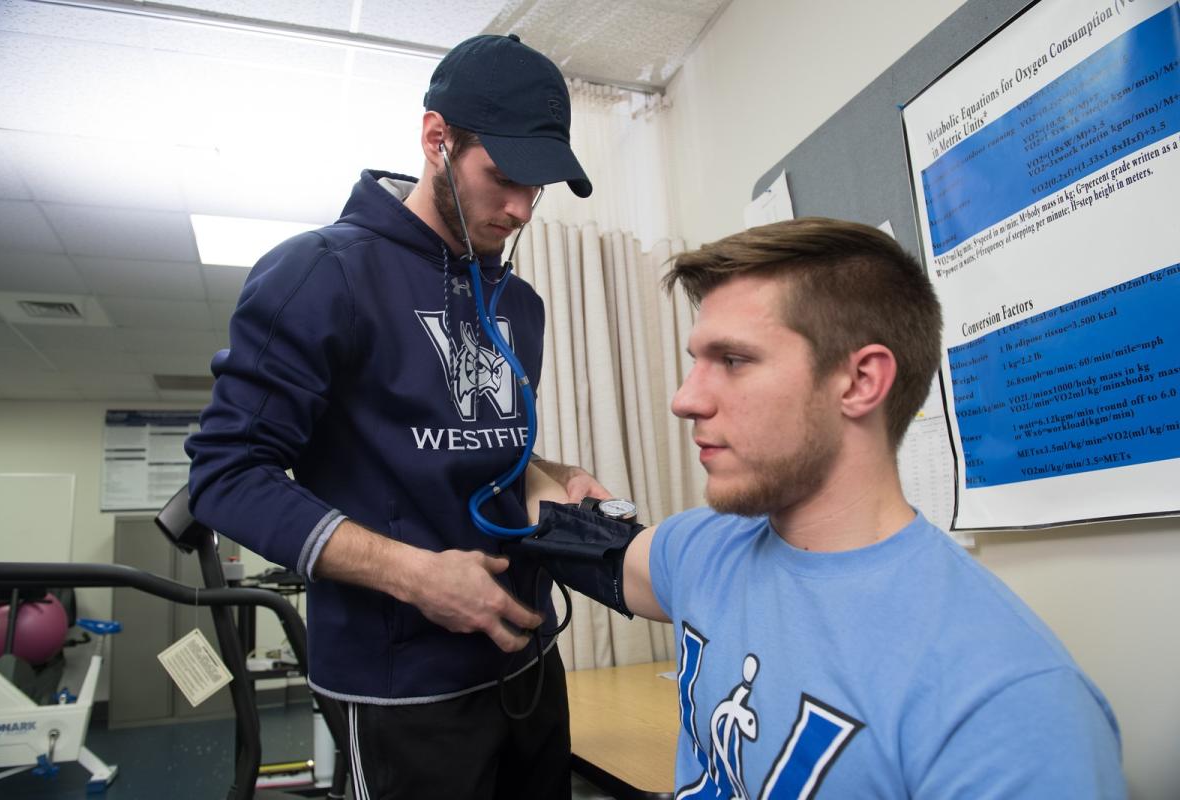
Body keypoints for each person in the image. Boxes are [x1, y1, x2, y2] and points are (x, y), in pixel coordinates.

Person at [527, 217, 1126, 798]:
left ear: (861, 381)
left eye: (733, 361)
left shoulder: (1009, 706)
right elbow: (573, 536)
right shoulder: (706, 548)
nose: (685, 399)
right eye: (696, 360)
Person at [186, 33, 609, 800]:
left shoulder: (521, 304)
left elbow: (477, 453)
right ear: (436, 138)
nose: (520, 208)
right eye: (503, 177)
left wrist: (557, 479)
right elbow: (225, 476)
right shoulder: (322, 273)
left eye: (538, 186)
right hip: (403, 690)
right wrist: (418, 577)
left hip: (529, 664)